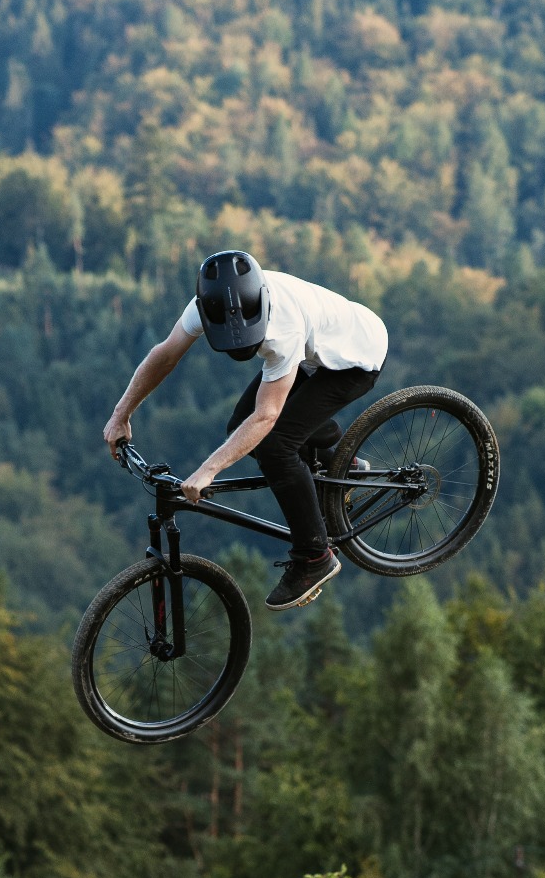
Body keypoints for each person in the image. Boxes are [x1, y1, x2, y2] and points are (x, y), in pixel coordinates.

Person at [103, 251, 387, 610]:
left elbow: (266, 417)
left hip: (357, 359)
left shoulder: (282, 327)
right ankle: (344, 465)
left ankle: (315, 557)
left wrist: (208, 469)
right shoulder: (208, 304)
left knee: (275, 446)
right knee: (240, 428)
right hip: (315, 353)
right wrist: (121, 413)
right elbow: (166, 354)